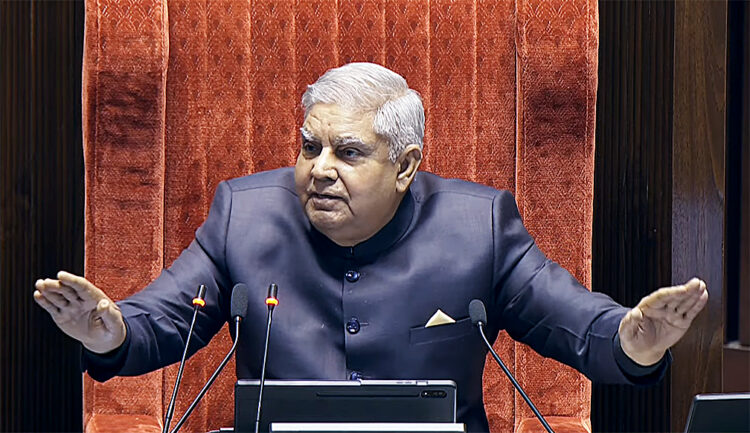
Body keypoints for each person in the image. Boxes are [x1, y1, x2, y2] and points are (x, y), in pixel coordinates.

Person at [34, 63, 708, 432]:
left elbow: (578, 325)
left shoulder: (479, 226)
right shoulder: (245, 213)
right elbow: (165, 319)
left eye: (347, 151)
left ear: (406, 164)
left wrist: (635, 336)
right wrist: (109, 329)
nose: (319, 167)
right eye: (309, 146)